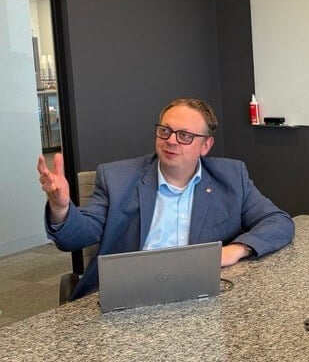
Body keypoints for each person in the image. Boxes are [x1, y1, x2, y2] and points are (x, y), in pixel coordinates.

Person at [37, 98, 295, 301]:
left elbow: (278, 221)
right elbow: (75, 237)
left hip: (199, 293)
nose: (171, 141)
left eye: (185, 136)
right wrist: (61, 208)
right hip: (128, 296)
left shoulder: (230, 177)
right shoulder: (116, 178)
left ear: (205, 146)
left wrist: (235, 251)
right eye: (165, 131)